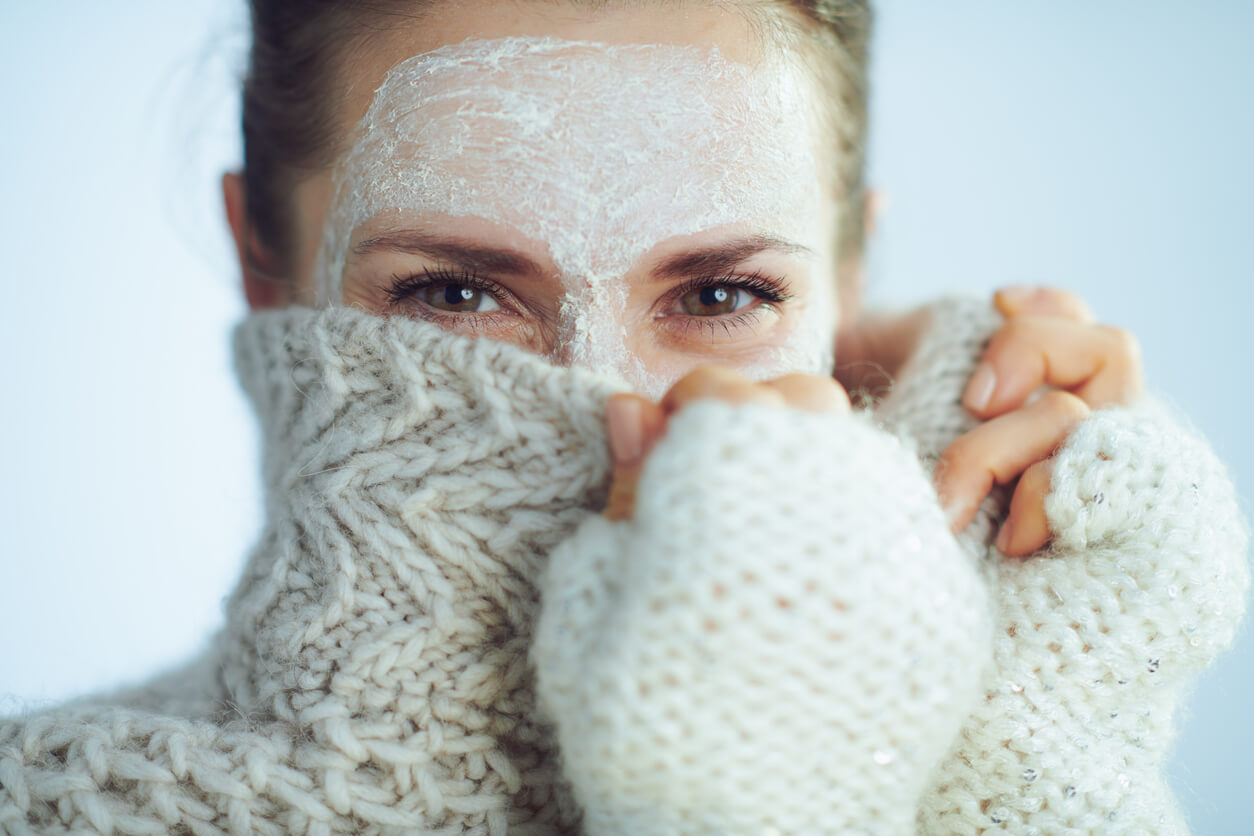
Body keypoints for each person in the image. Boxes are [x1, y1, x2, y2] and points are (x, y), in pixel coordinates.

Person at [0, 1, 1245, 834]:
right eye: (458, 291)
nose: (619, 405)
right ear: (263, 258)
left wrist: (1030, 697)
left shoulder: (1012, 705)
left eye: (720, 293)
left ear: (849, 285)